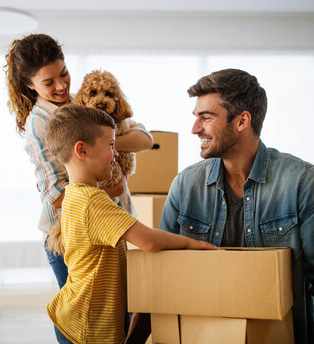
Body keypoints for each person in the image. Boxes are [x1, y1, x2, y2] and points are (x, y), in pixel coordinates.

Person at [154, 68, 314, 344]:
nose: (195, 129)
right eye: (196, 118)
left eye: (206, 117)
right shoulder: (186, 185)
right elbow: (159, 277)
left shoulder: (301, 182)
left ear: (242, 121)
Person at [44, 104, 216, 344]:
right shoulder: (93, 202)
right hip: (87, 328)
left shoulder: (73, 195)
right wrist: (192, 242)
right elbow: (150, 241)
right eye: (111, 145)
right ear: (82, 150)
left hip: (73, 319)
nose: (116, 154)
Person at [3, 33, 153, 289]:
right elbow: (57, 195)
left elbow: (145, 139)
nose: (61, 86)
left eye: (64, 73)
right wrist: (113, 187)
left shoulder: (82, 99)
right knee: (79, 318)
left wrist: (109, 143)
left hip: (114, 224)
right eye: (49, 82)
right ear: (30, 85)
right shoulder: (39, 123)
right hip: (71, 234)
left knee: (119, 310)